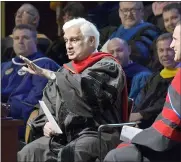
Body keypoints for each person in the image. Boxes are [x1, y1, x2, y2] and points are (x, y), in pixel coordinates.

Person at [18, 18, 128, 162]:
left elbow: (90, 98)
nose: (68, 46)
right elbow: (48, 103)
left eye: (75, 40)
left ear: (92, 41)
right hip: (63, 136)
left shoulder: (108, 66)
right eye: (67, 40)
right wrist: (46, 123)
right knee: (29, 152)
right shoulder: (65, 71)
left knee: (71, 154)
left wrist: (51, 74)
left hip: (97, 134)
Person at [104, 21, 181, 162]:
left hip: (170, 145)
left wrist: (141, 135)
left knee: (114, 154)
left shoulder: (175, 77)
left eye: (175, 41)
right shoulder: (154, 77)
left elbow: (169, 127)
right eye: (161, 50)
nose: (170, 48)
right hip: (154, 132)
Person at [1, 24, 60, 139]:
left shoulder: (44, 65)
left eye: (25, 38)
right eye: (16, 38)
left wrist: (6, 109)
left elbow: (34, 101)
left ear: (35, 41)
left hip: (22, 122)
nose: (20, 41)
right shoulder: (3, 66)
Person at [129, 33, 180, 129]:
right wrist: (135, 117)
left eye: (169, 49)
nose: (165, 54)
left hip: (166, 127)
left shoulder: (179, 77)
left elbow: (167, 105)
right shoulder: (155, 76)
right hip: (143, 124)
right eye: (161, 50)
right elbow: (141, 100)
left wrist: (141, 114)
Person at [101, 2, 160, 68]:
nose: (129, 14)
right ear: (119, 12)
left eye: (133, 10)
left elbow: (139, 55)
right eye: (125, 10)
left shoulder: (149, 31)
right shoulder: (113, 32)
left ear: (142, 11)